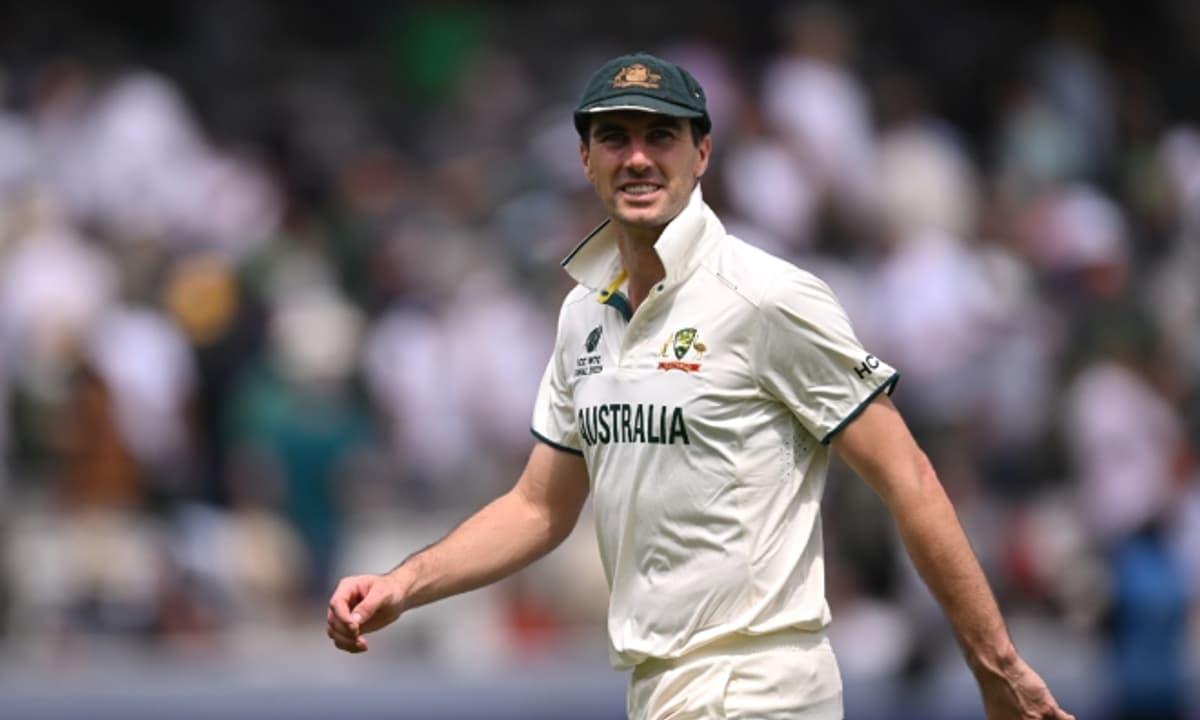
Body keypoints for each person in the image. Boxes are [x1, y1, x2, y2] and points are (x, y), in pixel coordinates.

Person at [327, 51, 1074, 720]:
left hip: (759, 686)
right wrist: (404, 584)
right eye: (615, 138)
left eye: (662, 136)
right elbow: (538, 508)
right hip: (659, 689)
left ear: (702, 152)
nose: (638, 158)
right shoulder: (583, 313)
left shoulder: (765, 296)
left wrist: (996, 664)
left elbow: (908, 476)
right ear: (585, 158)